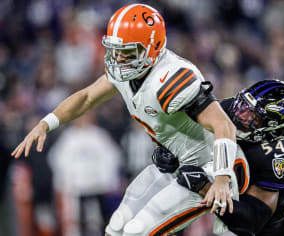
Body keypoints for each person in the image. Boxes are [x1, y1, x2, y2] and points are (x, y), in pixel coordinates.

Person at [11, 4, 243, 236]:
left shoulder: (170, 78)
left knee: (136, 231)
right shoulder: (128, 70)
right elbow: (87, 97)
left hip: (207, 170)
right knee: (116, 227)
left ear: (153, 48)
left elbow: (224, 125)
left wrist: (222, 178)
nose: (119, 58)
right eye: (116, 50)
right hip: (174, 165)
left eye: (129, 52)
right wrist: (46, 123)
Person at [154, 80, 284, 236]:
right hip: (227, 202)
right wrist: (169, 153)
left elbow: (251, 220)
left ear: (272, 128)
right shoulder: (231, 109)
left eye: (253, 116)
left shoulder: (275, 156)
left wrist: (204, 187)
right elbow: (188, 137)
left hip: (272, 228)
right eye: (243, 104)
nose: (240, 113)